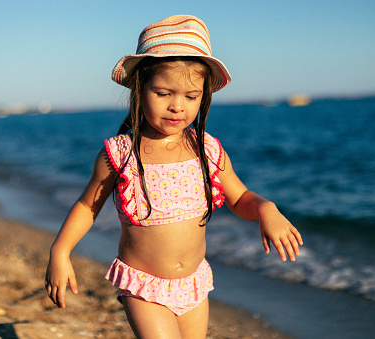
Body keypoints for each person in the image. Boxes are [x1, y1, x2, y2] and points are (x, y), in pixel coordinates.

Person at [45, 15, 303, 338]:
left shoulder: (206, 151)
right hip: (144, 287)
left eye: (191, 96)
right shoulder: (121, 154)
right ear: (141, 87)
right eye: (164, 93)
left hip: (194, 284)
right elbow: (87, 206)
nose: (177, 106)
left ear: (203, 96)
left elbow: (239, 198)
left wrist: (266, 208)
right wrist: (61, 250)